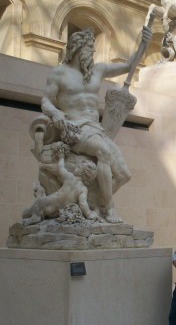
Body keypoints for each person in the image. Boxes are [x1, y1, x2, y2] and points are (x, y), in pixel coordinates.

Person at [40, 25, 152, 223]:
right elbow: (46, 101)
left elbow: (129, 66)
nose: (92, 53)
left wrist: (144, 43)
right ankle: (109, 209)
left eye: (93, 49)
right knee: (103, 151)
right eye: (89, 48)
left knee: (124, 174)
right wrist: (55, 113)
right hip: (74, 128)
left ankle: (92, 202)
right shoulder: (59, 74)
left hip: (95, 128)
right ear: (76, 49)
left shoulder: (98, 70)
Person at [22, 144, 98, 225]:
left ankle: (35, 218)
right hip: (59, 210)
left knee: (38, 203)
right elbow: (83, 204)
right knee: (28, 211)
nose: (75, 168)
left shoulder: (70, 177)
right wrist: (89, 214)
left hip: (51, 201)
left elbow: (60, 168)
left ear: (82, 173)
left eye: (78, 167)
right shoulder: (83, 189)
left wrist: (61, 157)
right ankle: (33, 213)